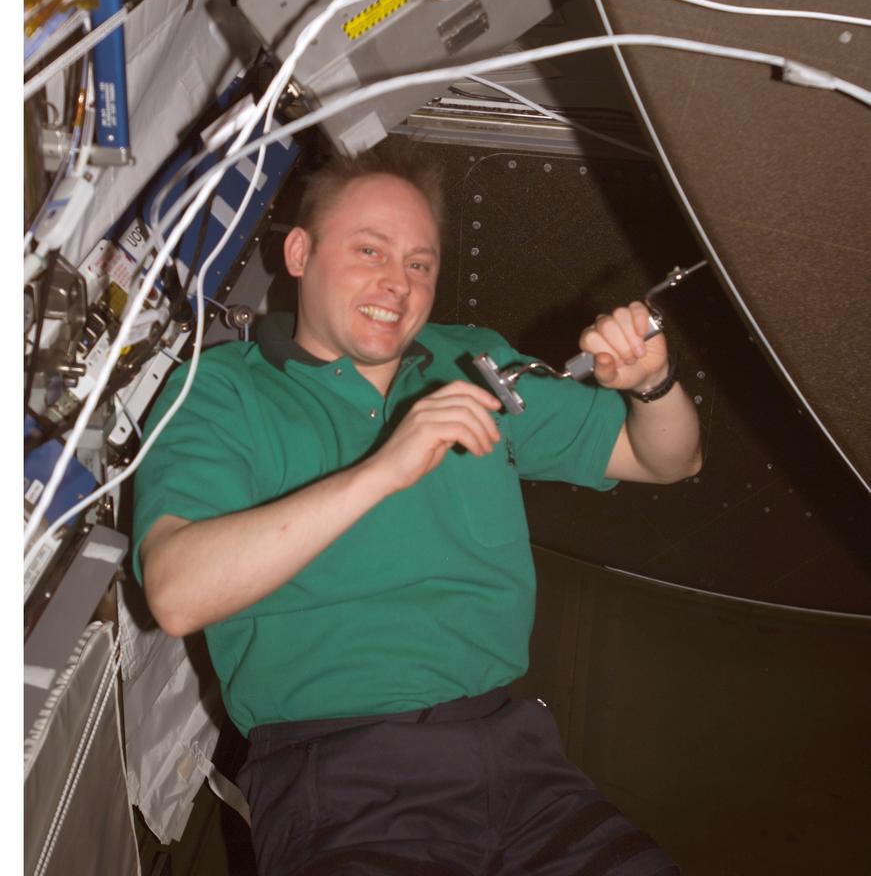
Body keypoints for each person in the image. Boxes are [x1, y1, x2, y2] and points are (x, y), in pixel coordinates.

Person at [133, 143, 701, 875]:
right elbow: (177, 594)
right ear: (300, 253)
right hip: (341, 776)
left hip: (525, 766)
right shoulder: (217, 391)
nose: (396, 284)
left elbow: (665, 458)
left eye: (419, 263)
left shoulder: (468, 361)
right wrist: (384, 469)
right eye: (369, 250)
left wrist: (652, 384)